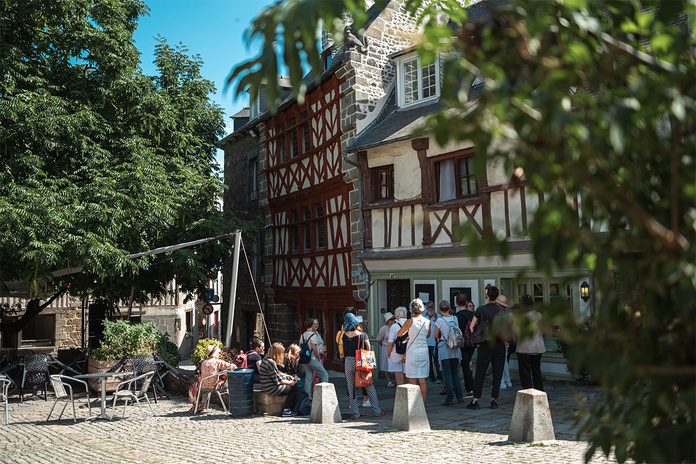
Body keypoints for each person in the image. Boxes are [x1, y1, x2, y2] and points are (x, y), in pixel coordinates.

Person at [467, 285, 506, 410]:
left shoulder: (481, 309)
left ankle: (475, 400)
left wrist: (477, 338)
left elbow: (471, 326)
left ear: (487, 296)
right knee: (497, 373)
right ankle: (493, 400)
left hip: (485, 344)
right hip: (499, 344)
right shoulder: (502, 311)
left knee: (480, 373)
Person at [342, 313, 384, 420]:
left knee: (351, 387)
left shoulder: (344, 335)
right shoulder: (363, 335)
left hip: (348, 361)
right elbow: (368, 348)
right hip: (360, 361)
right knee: (368, 385)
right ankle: (377, 411)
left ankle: (355, 413)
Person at [397, 298, 431, 404]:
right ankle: (423, 404)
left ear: (411, 309)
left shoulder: (410, 321)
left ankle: (414, 405)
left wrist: (409, 335)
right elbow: (428, 335)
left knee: (412, 380)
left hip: (413, 351)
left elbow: (399, 334)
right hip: (424, 350)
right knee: (422, 380)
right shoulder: (428, 321)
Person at [433, 300, 464, 405]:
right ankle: (460, 396)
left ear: (440, 309)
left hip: (445, 349)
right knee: (455, 373)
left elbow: (435, 335)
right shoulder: (455, 318)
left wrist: (438, 338)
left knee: (447, 374)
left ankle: (450, 398)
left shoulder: (440, 321)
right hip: (455, 348)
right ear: (449, 307)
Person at [189, 344, 236, 413]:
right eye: (218, 352)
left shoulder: (204, 362)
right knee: (209, 384)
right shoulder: (217, 362)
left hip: (203, 384)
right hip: (213, 385)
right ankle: (203, 404)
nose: (219, 354)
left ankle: (202, 404)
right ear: (214, 353)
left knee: (202, 384)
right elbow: (231, 366)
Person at [259, 342, 301, 417]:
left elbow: (277, 372)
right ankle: (287, 409)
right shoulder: (271, 363)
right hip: (271, 388)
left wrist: (288, 376)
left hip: (266, 386)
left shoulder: (265, 360)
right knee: (294, 388)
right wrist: (290, 383)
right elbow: (278, 381)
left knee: (290, 384)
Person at [515, 294, 546, 391]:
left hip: (525, 347)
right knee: (536, 370)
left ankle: (528, 392)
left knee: (525, 373)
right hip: (537, 346)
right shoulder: (539, 315)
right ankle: (539, 390)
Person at [300, 318, 329, 400]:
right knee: (325, 375)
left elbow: (300, 347)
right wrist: (318, 357)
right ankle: (324, 395)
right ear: (312, 325)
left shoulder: (302, 335)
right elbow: (314, 348)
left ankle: (308, 395)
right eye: (314, 324)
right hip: (313, 358)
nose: (316, 325)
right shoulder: (313, 335)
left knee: (308, 377)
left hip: (306, 359)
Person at [454, 293, 475, 396]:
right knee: (467, 365)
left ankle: (469, 389)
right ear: (466, 303)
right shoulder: (472, 315)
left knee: (464, 366)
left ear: (456, 303)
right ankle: (470, 388)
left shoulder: (457, 317)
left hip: (461, 343)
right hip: (471, 343)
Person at [387, 306, 408, 386]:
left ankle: (400, 393)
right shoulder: (410, 324)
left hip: (397, 351)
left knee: (398, 373)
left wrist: (389, 354)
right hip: (407, 351)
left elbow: (390, 343)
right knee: (407, 373)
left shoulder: (394, 326)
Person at [496, 295, 513, 390]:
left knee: (500, 362)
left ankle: (502, 381)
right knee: (505, 361)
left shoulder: (498, 313)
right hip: (507, 339)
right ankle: (507, 380)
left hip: (500, 339)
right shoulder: (508, 314)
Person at [376, 312, 396, 387]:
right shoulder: (383, 329)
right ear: (388, 321)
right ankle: (389, 381)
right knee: (386, 364)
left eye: (394, 319)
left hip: (394, 348)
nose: (394, 320)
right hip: (386, 348)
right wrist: (384, 346)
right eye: (392, 319)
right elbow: (379, 339)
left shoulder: (395, 327)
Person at [424, 301, 442, 384]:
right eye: (429, 307)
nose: (431, 309)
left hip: (435, 342)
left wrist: (435, 317)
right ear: (426, 308)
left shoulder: (438, 316)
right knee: (428, 361)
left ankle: (439, 377)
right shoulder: (424, 317)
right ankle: (431, 377)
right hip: (426, 342)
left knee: (436, 361)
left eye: (432, 307)